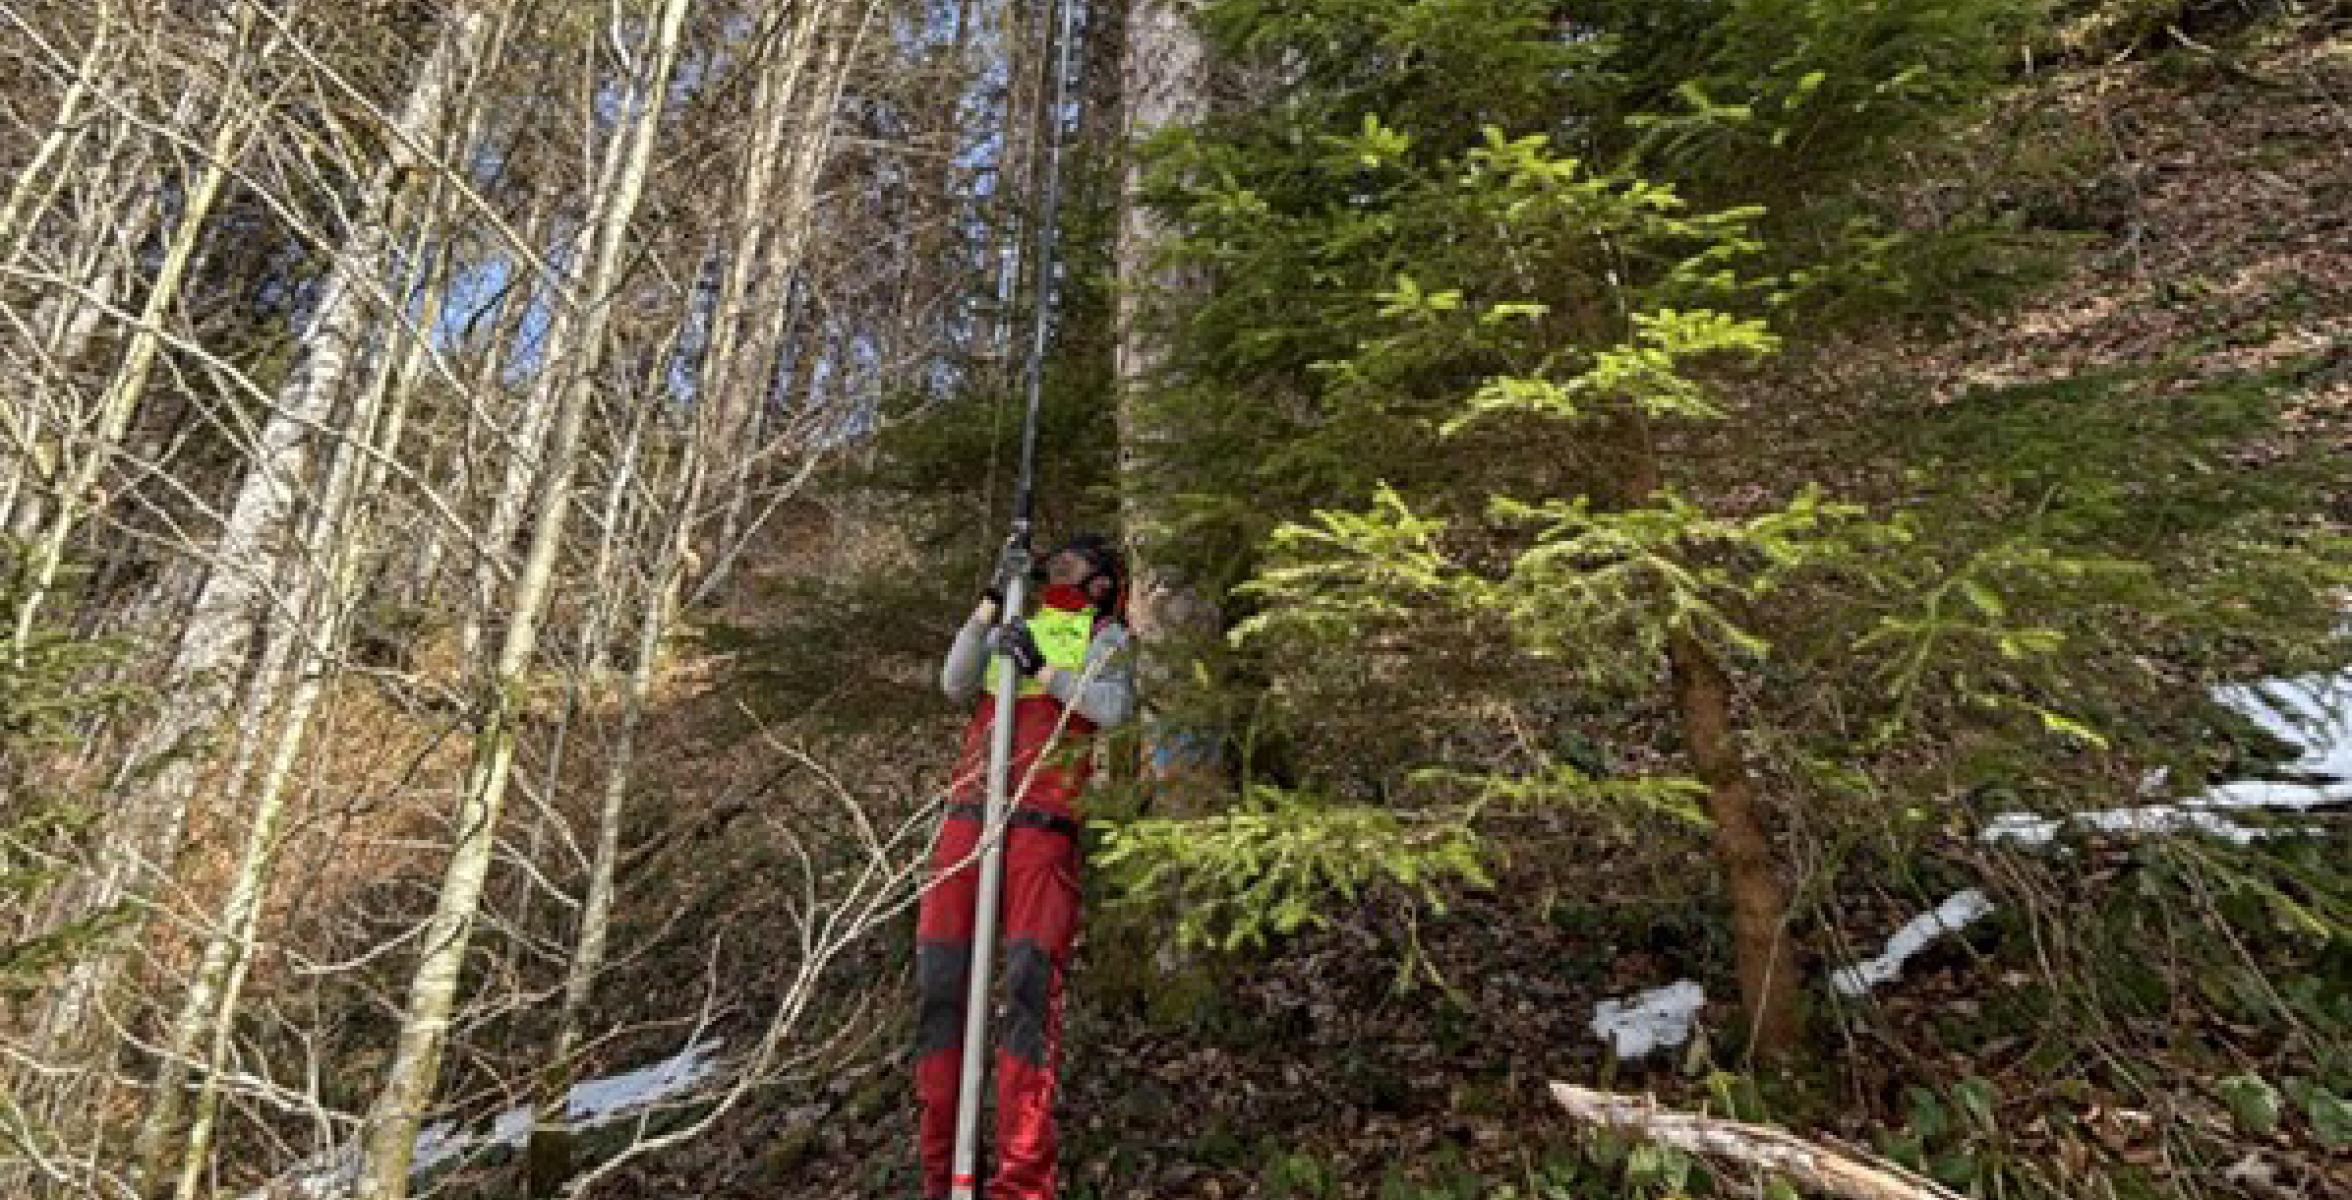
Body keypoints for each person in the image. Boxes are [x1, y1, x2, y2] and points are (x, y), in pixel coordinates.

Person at [915, 533, 1134, 1200]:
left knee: (1029, 1000)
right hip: (967, 819)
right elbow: (954, 681)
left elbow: (1112, 708)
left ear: (1101, 580)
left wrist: (1042, 668)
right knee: (941, 989)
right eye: (1056, 555)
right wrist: (989, 599)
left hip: (1042, 831)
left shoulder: (1106, 636)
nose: (1058, 560)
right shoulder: (1017, 616)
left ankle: (1022, 1184)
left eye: (1076, 556)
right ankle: (942, 1176)